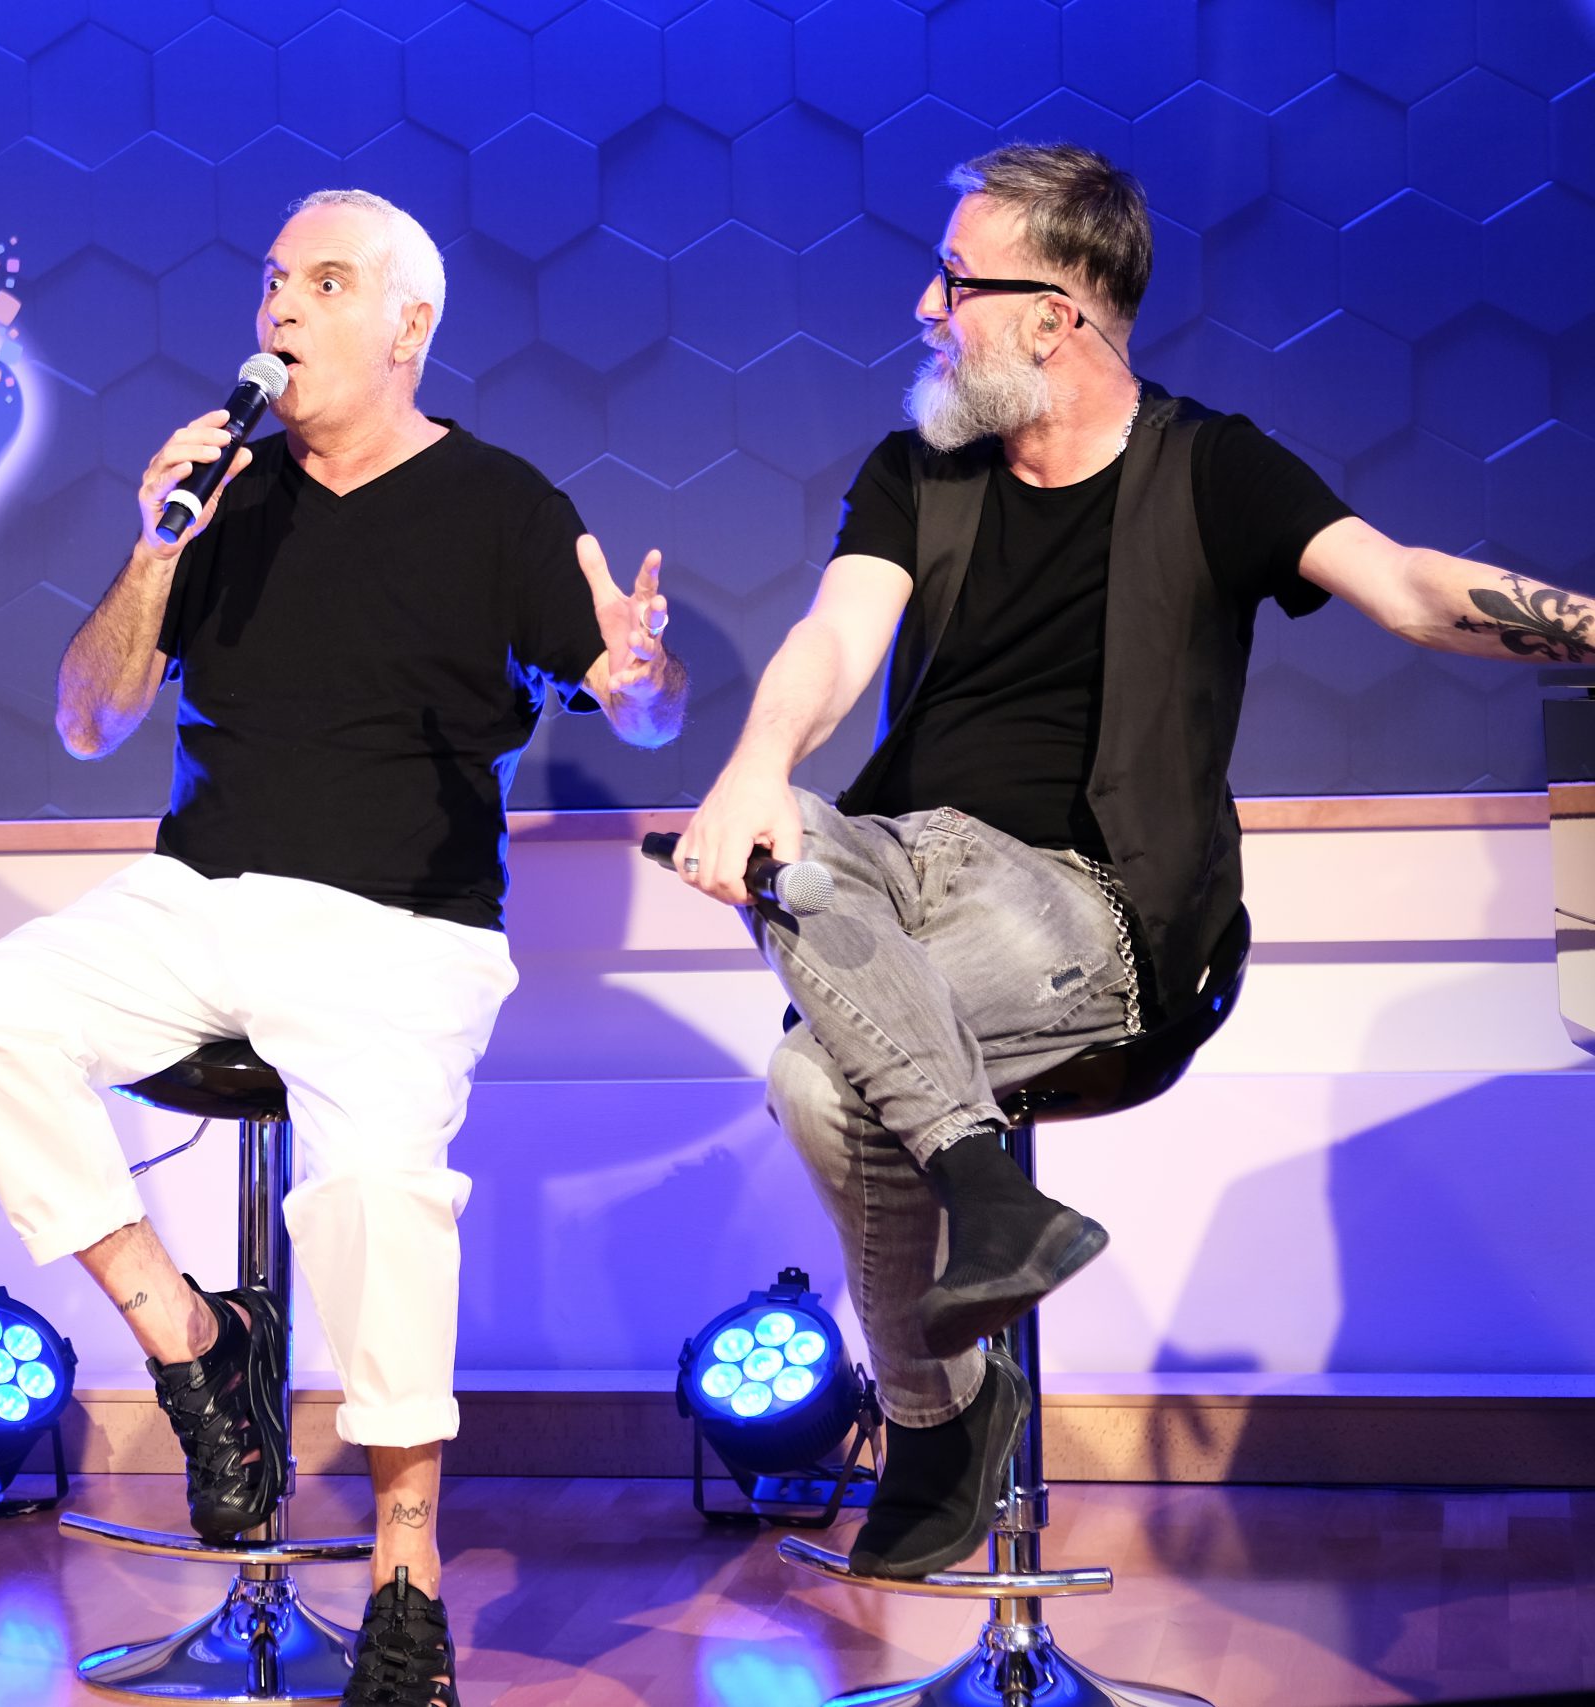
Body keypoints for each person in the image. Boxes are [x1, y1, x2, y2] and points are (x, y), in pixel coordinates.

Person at [674, 142, 1595, 1580]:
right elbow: (835, 638)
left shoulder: (1212, 469)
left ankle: (934, 1413)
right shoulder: (919, 470)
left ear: (1056, 316)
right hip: (906, 865)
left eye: (957, 281)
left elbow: (1412, 590)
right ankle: (989, 1196)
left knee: (810, 1074)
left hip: (1094, 911)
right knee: (788, 841)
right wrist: (752, 766)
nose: (926, 307)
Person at [0, 188, 685, 1704]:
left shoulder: (505, 505)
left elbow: (641, 704)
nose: (279, 308)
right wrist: (155, 550)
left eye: (324, 283)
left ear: (408, 325)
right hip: (197, 897)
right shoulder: (229, 498)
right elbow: (88, 721)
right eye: (273, 280)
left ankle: (405, 1573)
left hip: (402, 923)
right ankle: (192, 1336)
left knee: (380, 1189)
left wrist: (640, 671)